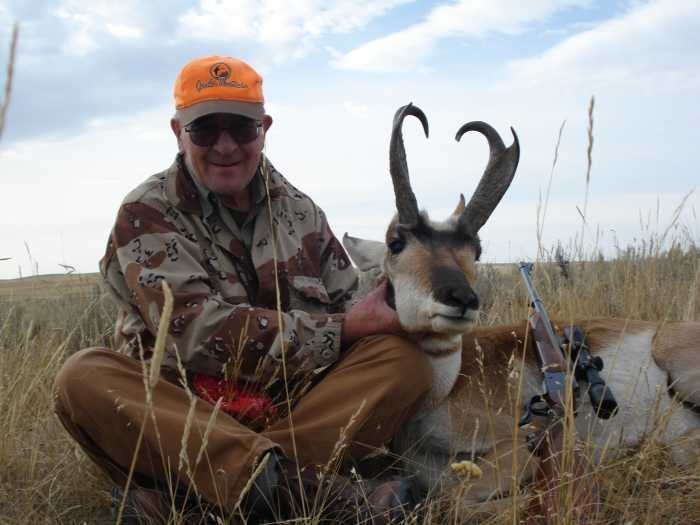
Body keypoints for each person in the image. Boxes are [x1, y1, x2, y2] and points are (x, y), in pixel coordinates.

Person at [52, 55, 433, 523]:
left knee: (404, 362)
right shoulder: (146, 211)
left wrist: (408, 301)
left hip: (298, 411)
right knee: (82, 376)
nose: (226, 145)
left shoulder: (301, 213)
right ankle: (308, 495)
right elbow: (194, 332)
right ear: (178, 132)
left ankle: (202, 501)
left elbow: (352, 306)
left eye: (241, 128)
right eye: (205, 130)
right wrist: (343, 328)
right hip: (184, 418)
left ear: (264, 128)